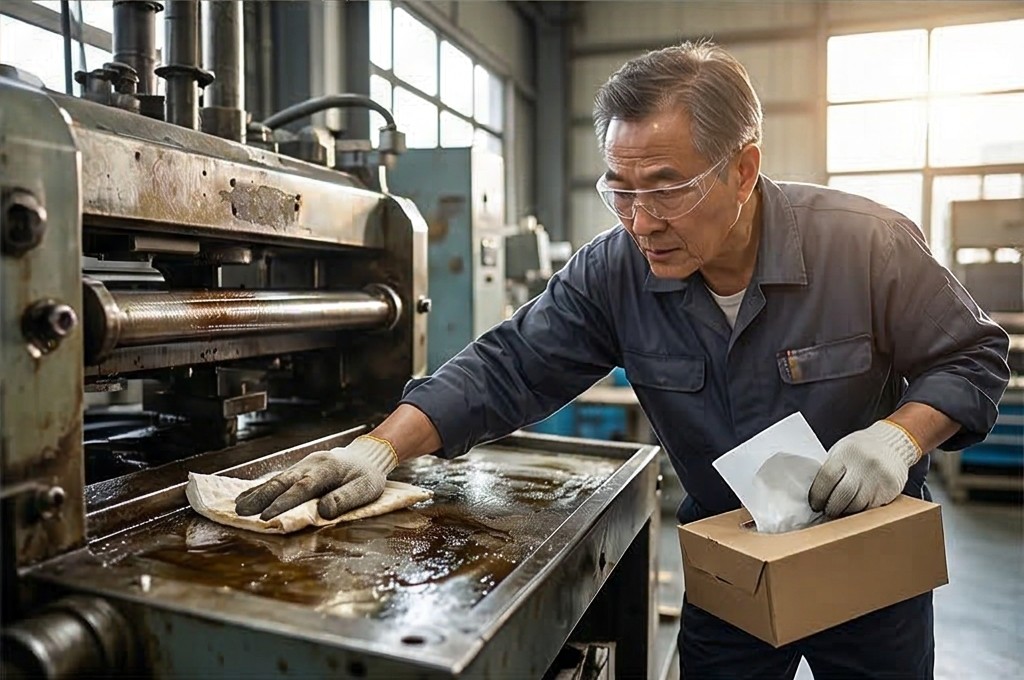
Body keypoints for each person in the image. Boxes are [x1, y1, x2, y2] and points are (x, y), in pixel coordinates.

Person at [234, 41, 1009, 678]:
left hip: (865, 559)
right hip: (729, 554)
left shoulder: (863, 241)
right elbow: (507, 365)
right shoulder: (616, 271)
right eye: (620, 190)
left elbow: (972, 354)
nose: (641, 221)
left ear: (743, 170)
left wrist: (899, 437)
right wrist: (380, 448)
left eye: (667, 189)